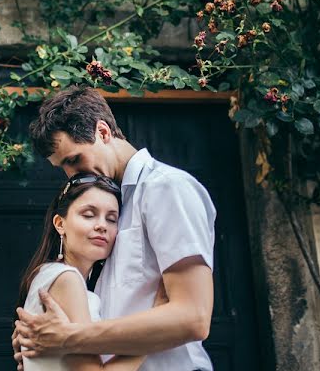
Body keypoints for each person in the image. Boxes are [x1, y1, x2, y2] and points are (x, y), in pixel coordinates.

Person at [14, 86, 216, 370]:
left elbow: (194, 316)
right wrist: (43, 350)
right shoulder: (108, 209)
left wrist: (69, 338)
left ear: (103, 132)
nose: (72, 175)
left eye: (74, 159)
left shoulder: (165, 188)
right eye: (63, 167)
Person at [17, 171, 151, 370]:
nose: (102, 226)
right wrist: (156, 335)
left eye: (112, 219)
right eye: (89, 215)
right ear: (60, 224)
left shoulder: (49, 274)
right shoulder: (65, 279)